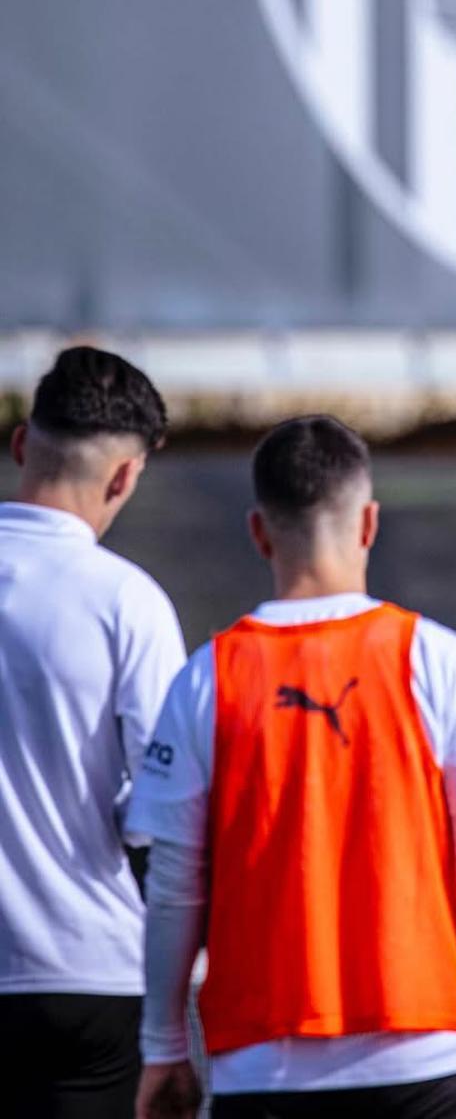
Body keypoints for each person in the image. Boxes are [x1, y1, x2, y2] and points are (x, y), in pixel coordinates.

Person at [127, 415, 456, 1119]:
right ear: (369, 523)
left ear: (258, 532)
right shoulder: (441, 660)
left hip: (262, 1064)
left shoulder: (207, 678)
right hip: (428, 1050)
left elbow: (174, 887)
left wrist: (163, 1045)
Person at [0, 344, 186, 1119]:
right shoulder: (126, 601)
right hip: (82, 971)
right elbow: (164, 805)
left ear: (20, 444)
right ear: (124, 476)